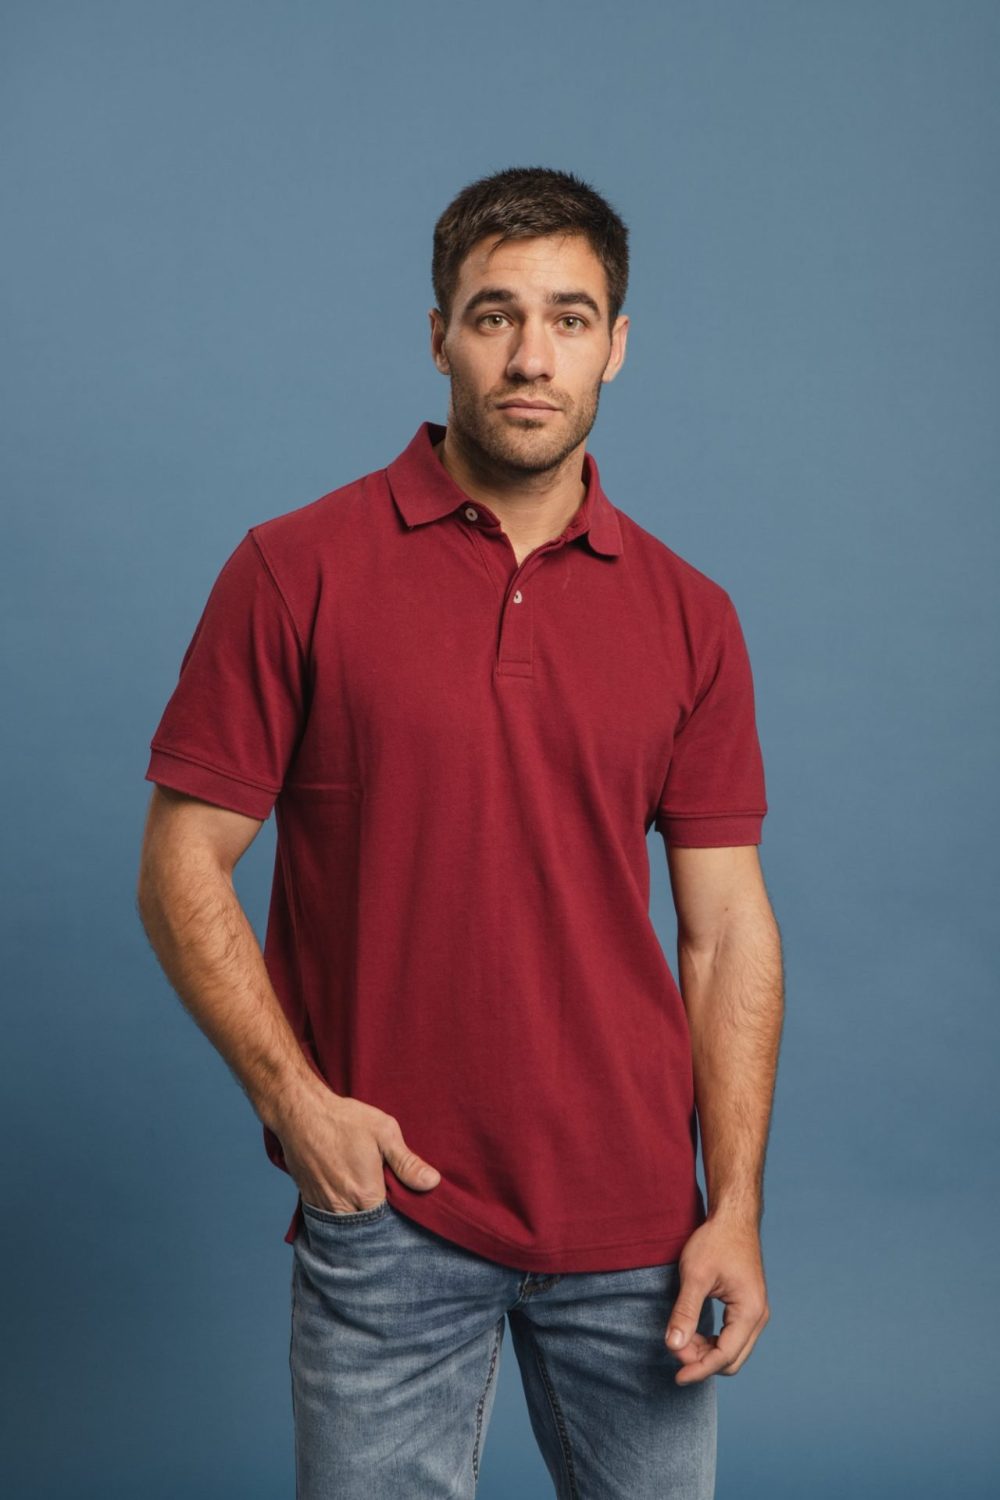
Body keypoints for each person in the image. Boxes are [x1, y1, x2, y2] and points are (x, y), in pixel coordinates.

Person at [137, 164, 784, 1499]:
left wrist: (734, 1209)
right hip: (392, 1210)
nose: (531, 356)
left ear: (616, 344)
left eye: (569, 317)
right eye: (495, 316)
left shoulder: (692, 614)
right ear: (439, 336)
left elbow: (725, 933)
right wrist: (295, 1106)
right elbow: (180, 865)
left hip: (638, 1228)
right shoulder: (295, 569)